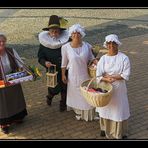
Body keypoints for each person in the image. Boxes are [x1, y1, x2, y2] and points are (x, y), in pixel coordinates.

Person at [96, 34, 131, 139]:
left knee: (118, 109)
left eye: (113, 43)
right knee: (106, 108)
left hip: (119, 89)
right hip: (106, 88)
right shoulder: (103, 59)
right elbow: (98, 75)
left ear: (118, 44)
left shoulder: (124, 58)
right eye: (109, 43)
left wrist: (110, 76)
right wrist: (106, 79)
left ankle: (119, 132)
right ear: (106, 45)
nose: (111, 45)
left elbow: (125, 75)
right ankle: (104, 128)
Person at [61, 24, 97, 121]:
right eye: (73, 33)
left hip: (85, 75)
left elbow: (91, 58)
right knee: (76, 95)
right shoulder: (65, 48)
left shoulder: (87, 45)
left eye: (78, 33)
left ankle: (88, 114)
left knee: (86, 94)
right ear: (70, 35)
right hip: (73, 76)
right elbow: (64, 63)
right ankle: (79, 112)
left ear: (81, 35)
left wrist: (97, 62)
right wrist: (63, 75)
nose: (76, 35)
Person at [38, 15, 69, 112]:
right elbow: (40, 57)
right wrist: (45, 62)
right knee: (53, 89)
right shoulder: (44, 43)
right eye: (52, 32)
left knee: (65, 87)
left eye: (56, 31)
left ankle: (63, 104)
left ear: (60, 32)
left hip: (65, 69)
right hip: (52, 70)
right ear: (49, 32)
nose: (54, 34)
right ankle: (49, 97)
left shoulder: (67, 41)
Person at [0, 33, 27, 134]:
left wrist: (24, 70)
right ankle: (4, 124)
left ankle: (17, 117)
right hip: (1, 83)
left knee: (16, 99)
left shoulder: (11, 51)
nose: (2, 43)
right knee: (3, 104)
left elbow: (19, 62)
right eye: (0, 41)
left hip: (13, 79)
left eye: (3, 41)